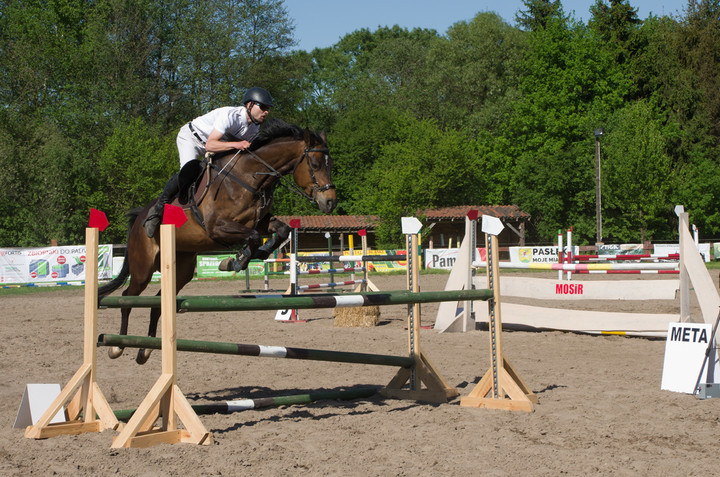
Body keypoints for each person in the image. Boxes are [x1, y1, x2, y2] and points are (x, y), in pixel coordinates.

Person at [143, 86, 274, 238]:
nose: (266, 112)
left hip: (216, 145)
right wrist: (237, 144)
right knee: (190, 171)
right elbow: (210, 145)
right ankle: (158, 209)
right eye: (263, 107)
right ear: (249, 105)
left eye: (268, 108)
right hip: (192, 138)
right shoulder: (230, 115)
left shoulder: (254, 129)